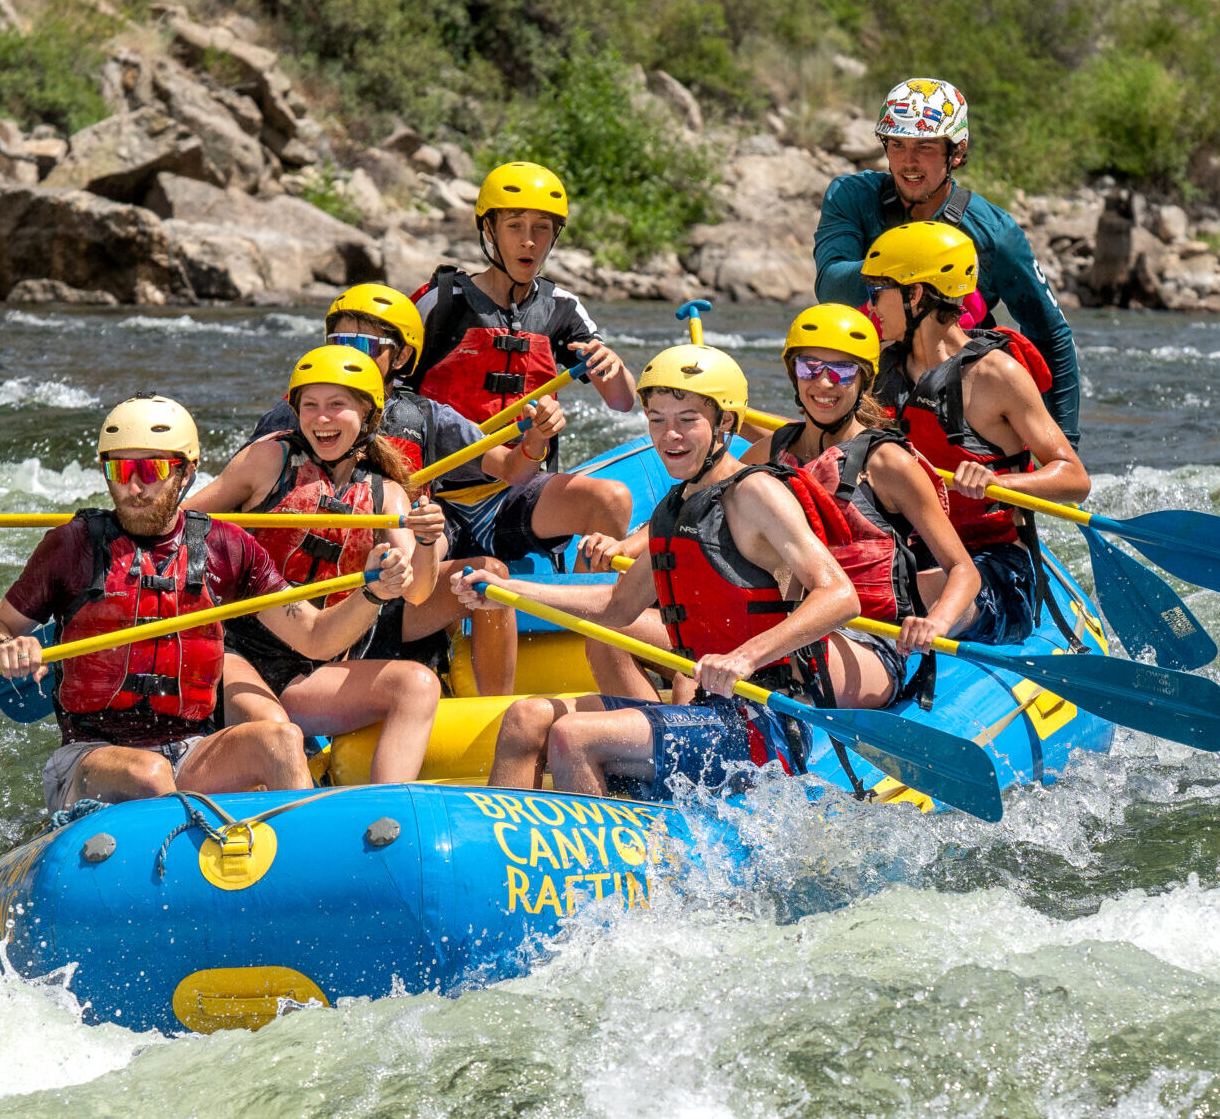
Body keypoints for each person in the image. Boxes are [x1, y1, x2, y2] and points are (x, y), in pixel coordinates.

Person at [458, 345, 905, 797]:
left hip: (762, 721)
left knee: (574, 736)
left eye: (687, 419)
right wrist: (507, 589)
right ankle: (506, 859)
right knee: (525, 719)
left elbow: (839, 595)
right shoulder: (675, 506)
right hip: (708, 709)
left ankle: (600, 863)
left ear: (725, 423)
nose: (669, 435)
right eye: (657, 419)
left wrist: (746, 657)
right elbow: (616, 605)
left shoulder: (755, 493)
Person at [0, 395, 415, 811]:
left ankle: (309, 869)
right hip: (91, 756)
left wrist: (372, 592)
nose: (133, 487)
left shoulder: (227, 548)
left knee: (280, 740)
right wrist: (5, 647)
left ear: (186, 473)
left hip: (191, 748)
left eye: (151, 471)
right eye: (119, 470)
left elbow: (316, 638)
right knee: (149, 774)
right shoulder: (72, 545)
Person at [242, 283, 567, 694]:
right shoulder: (295, 413)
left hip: (397, 581)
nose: (350, 353)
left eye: (365, 344)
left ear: (402, 356)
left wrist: (536, 440)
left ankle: (492, 707)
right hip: (303, 595)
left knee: (486, 573)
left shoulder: (426, 416)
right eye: (339, 341)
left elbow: (513, 467)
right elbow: (243, 494)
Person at [184, 347, 446, 783]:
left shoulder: (387, 495)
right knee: (276, 731)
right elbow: (184, 522)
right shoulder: (270, 460)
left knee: (418, 685)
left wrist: (424, 541)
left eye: (336, 406)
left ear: (368, 416)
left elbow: (417, 592)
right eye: (310, 406)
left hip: (312, 666)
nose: (321, 419)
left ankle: (385, 813)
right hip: (234, 648)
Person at [811, 78, 1082, 441]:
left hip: (955, 405)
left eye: (925, 146)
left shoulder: (995, 234)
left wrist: (1064, 449)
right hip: (866, 389)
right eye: (897, 145)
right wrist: (907, 264)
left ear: (955, 152)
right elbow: (831, 287)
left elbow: (1052, 336)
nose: (908, 161)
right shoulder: (851, 196)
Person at [864, 221, 1091, 646]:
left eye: (879, 291)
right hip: (914, 548)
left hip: (996, 563)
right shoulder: (878, 373)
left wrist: (998, 483)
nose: (871, 304)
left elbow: (1074, 478)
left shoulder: (995, 374)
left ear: (916, 295)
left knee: (904, 592)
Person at [741, 302, 983, 697]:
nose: (823, 383)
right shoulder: (773, 449)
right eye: (809, 368)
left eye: (841, 371)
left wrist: (935, 622)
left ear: (863, 381)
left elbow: (963, 569)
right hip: (784, 625)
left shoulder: (888, 463)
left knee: (786, 653)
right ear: (793, 374)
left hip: (869, 640)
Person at [409, 162, 636, 566]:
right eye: (515, 226)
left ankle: (591, 612)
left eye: (542, 229)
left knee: (612, 499)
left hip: (517, 491)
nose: (528, 242)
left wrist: (613, 366)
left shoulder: (562, 308)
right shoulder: (440, 302)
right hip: (434, 494)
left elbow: (621, 403)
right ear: (489, 229)